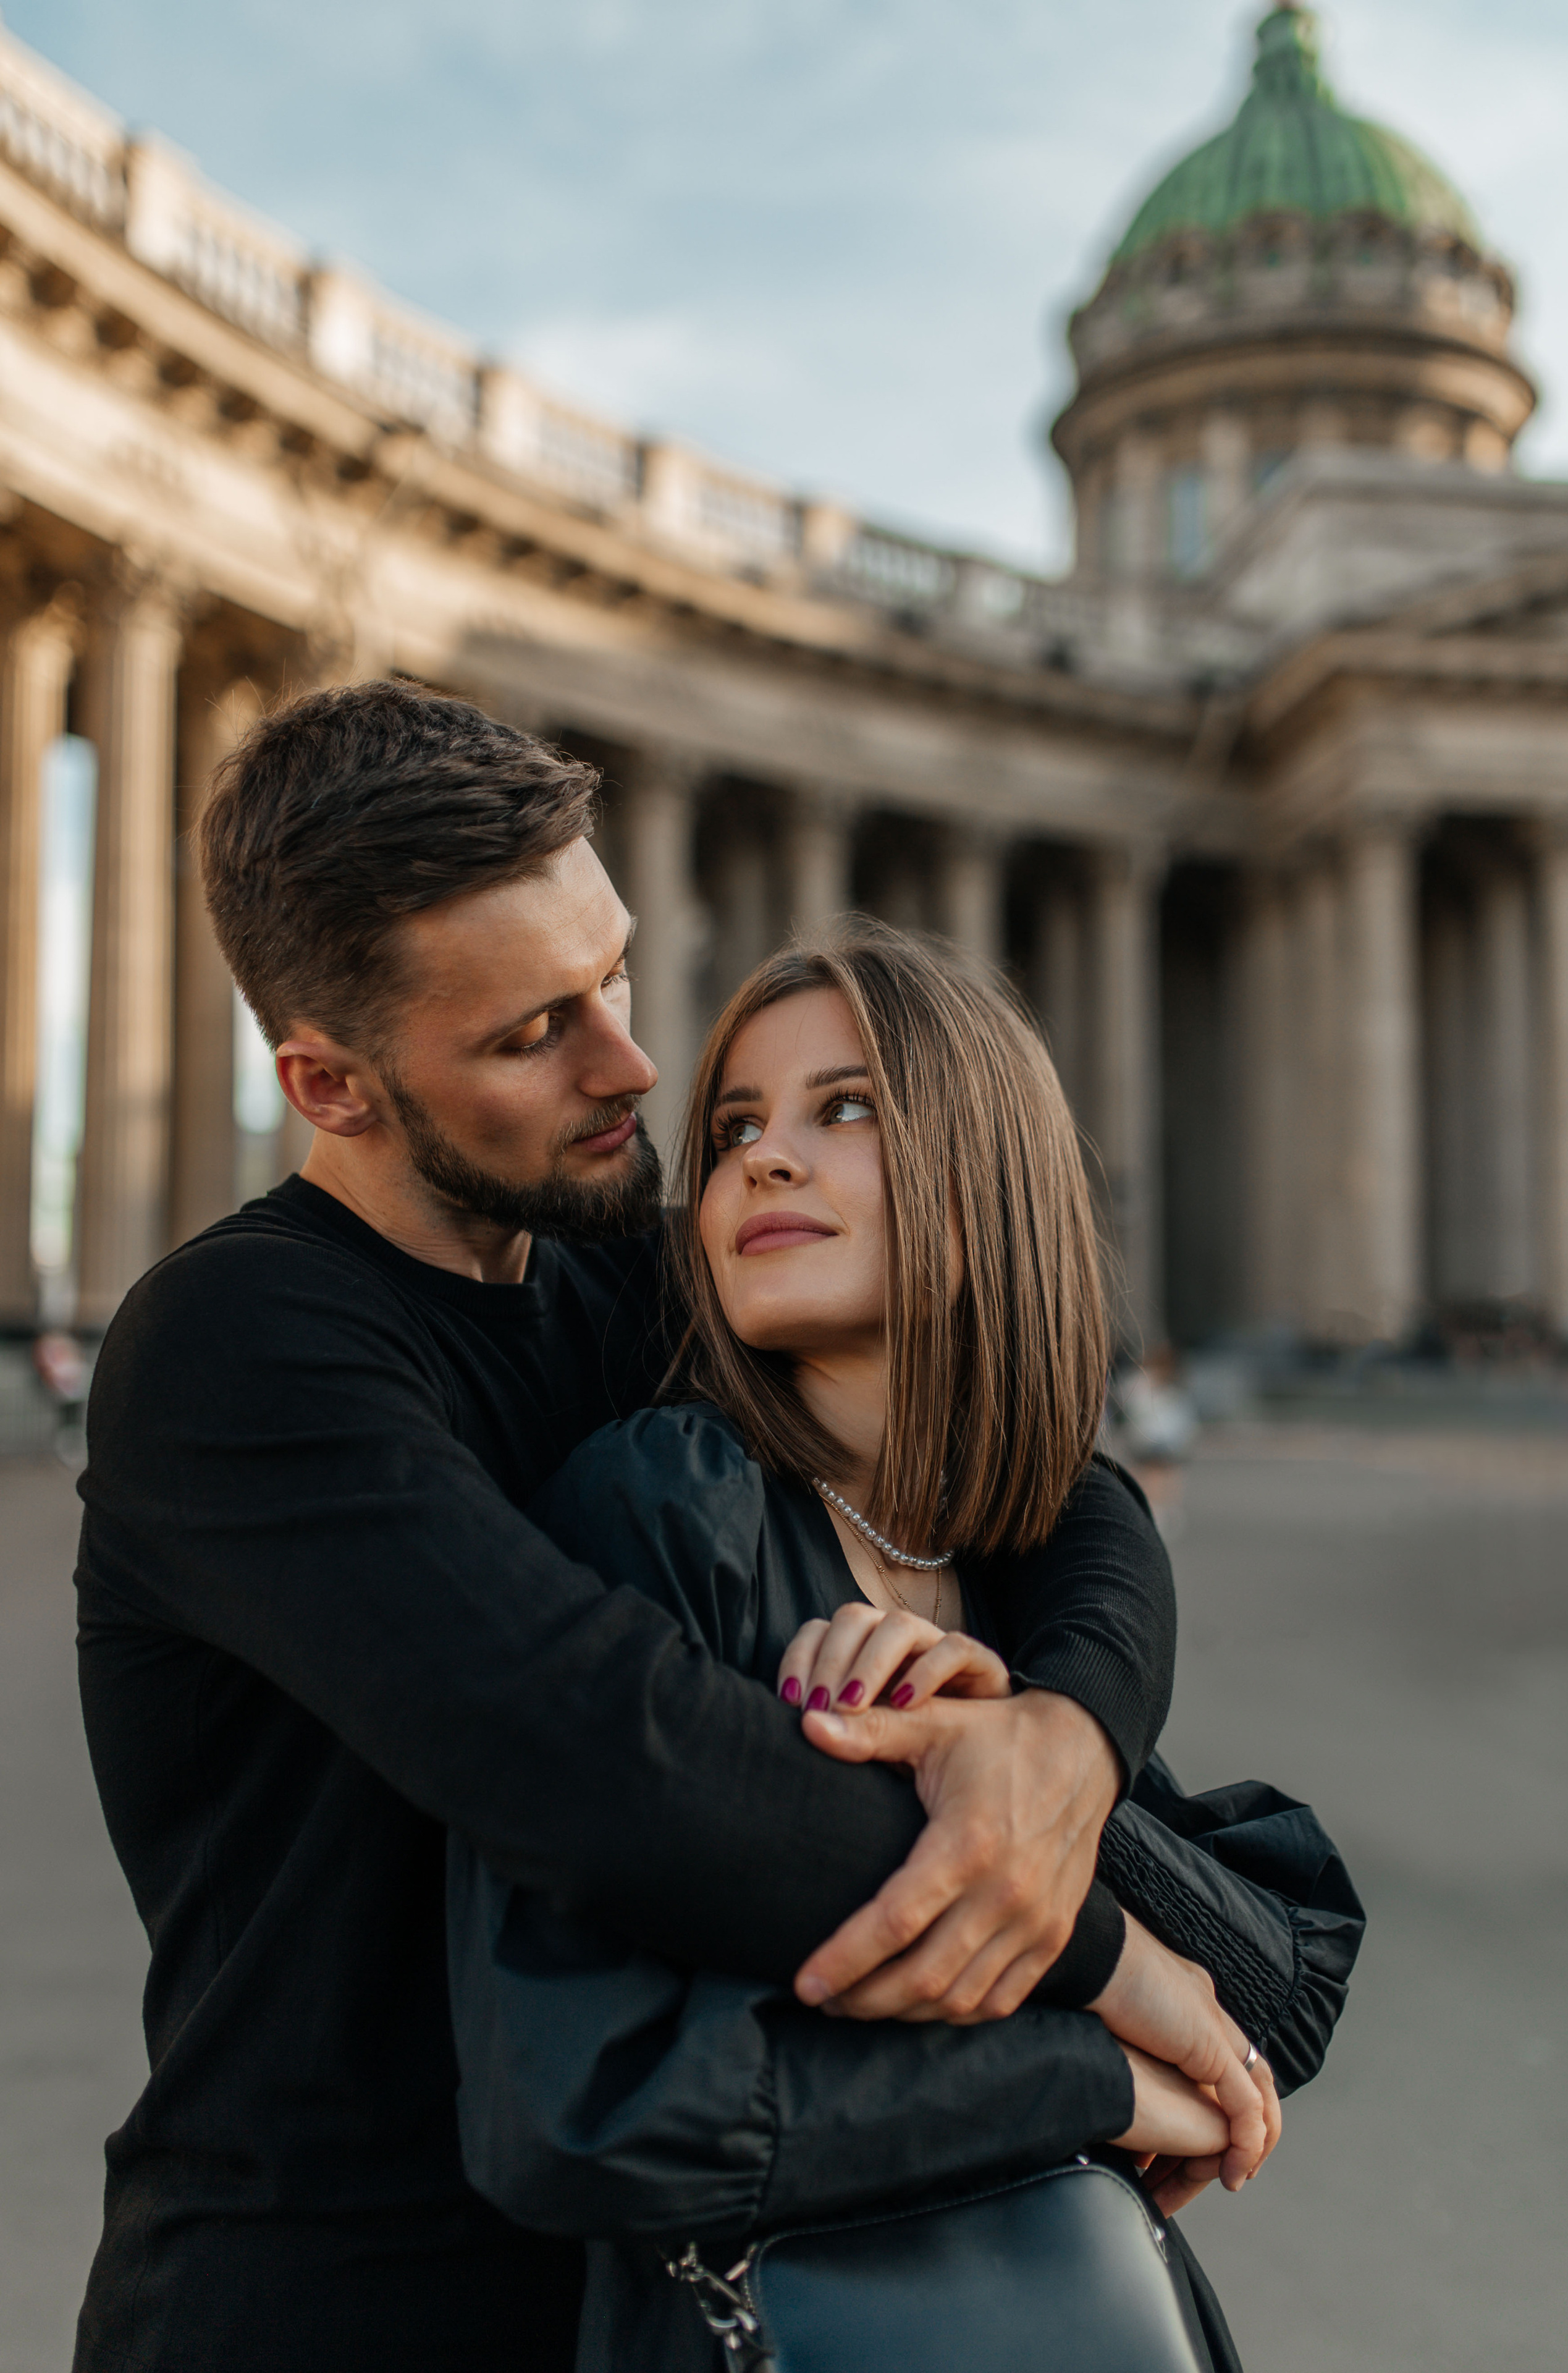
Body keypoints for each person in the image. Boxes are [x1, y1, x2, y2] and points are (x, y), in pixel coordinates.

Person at [72, 683, 1183, 2373]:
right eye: (535, 1032)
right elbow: (612, 1757)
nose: (632, 1063)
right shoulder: (234, 1347)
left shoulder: (629, 1272)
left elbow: (1051, 1482)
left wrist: (1067, 1733)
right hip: (322, 2296)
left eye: (615, 974)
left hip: (652, 2295)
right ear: (329, 1083)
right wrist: (1095, 1962)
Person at [449, 925, 1364, 2372]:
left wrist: (1031, 1768)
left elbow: (1274, 2007)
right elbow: (585, 2105)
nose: (762, 1158)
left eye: (844, 1108)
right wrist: (1088, 2072)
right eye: (734, 1127)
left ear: (980, 1176)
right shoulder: (668, 1508)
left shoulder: (1008, 1559)